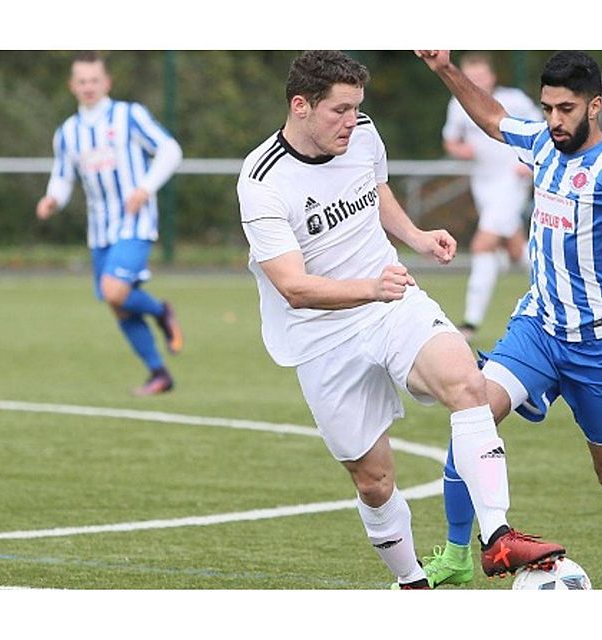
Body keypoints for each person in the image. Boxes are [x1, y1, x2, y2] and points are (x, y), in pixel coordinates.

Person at [236, 50, 564, 590]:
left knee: (466, 381)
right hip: (320, 337)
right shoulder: (262, 181)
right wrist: (369, 287)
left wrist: (414, 236)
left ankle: (497, 535)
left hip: (390, 305)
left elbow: (374, 188)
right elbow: (293, 288)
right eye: (339, 111)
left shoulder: (361, 132)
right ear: (300, 105)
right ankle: (411, 584)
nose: (352, 121)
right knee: (374, 480)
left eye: (356, 108)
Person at [417, 49, 602, 589]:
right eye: (548, 108)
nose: (555, 120)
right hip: (538, 327)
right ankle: (458, 550)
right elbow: (491, 118)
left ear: (595, 105)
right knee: (472, 410)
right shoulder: (541, 143)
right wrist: (444, 68)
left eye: (566, 108)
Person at [36, 51, 184, 396]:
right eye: (82, 81)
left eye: (95, 80)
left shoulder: (129, 115)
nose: (89, 86)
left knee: (113, 290)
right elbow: (62, 177)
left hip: (134, 220)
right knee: (117, 304)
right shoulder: (68, 132)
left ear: (107, 82)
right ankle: (159, 373)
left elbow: (170, 150)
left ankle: (162, 311)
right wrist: (52, 198)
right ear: (73, 86)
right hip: (99, 228)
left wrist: (145, 187)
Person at [441, 52, 541, 342]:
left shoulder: (515, 100)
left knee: (483, 244)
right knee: (515, 250)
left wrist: (529, 165)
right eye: (471, 78)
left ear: (492, 77)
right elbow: (450, 141)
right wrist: (461, 151)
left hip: (511, 181)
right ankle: (559, 294)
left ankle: (470, 323)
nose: (477, 82)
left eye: (481, 77)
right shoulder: (458, 104)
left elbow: (540, 132)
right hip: (482, 184)